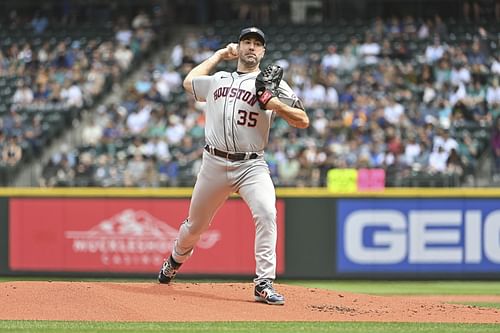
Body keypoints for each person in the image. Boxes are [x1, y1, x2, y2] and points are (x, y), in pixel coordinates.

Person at [157, 27, 309, 305]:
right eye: (246, 42)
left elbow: (303, 120)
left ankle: (263, 282)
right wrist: (217, 55)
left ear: (263, 52)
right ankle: (174, 260)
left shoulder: (271, 84)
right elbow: (189, 82)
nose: (251, 47)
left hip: (252, 165)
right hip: (213, 163)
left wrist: (275, 104)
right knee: (195, 226)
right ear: (238, 48)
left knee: (266, 213)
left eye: (257, 44)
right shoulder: (219, 79)